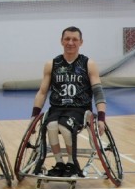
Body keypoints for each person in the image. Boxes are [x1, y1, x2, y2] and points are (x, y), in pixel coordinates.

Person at [31, 25, 107, 177]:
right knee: (51, 125)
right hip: (57, 108)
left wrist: (101, 117)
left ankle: (71, 163)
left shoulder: (88, 64)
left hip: (79, 109)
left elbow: (98, 92)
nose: (70, 42)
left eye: (74, 39)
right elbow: (42, 92)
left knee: (64, 126)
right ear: (61, 41)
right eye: (67, 39)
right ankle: (59, 163)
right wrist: (34, 116)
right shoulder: (52, 64)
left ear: (81, 42)